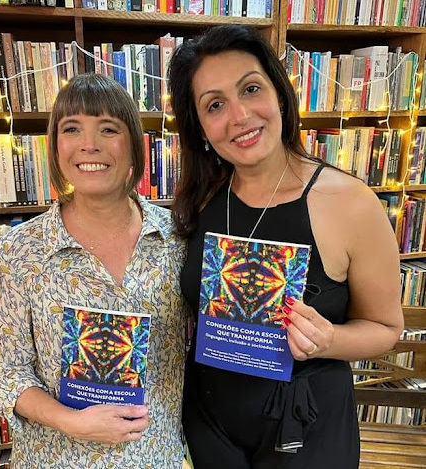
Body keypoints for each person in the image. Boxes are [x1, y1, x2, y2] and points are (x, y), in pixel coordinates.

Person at [168, 25, 404, 469]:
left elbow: (386, 328)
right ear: (199, 127)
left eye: (251, 88)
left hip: (305, 426)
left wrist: (328, 340)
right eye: (215, 104)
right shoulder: (200, 199)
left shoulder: (349, 203)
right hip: (211, 423)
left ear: (279, 93)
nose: (239, 115)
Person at [0, 73, 187, 468]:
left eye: (108, 128)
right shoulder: (20, 251)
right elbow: (3, 369)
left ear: (134, 146)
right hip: (57, 458)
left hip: (155, 457)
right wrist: (72, 422)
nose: (89, 144)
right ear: (56, 146)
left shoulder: (177, 238)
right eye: (72, 129)